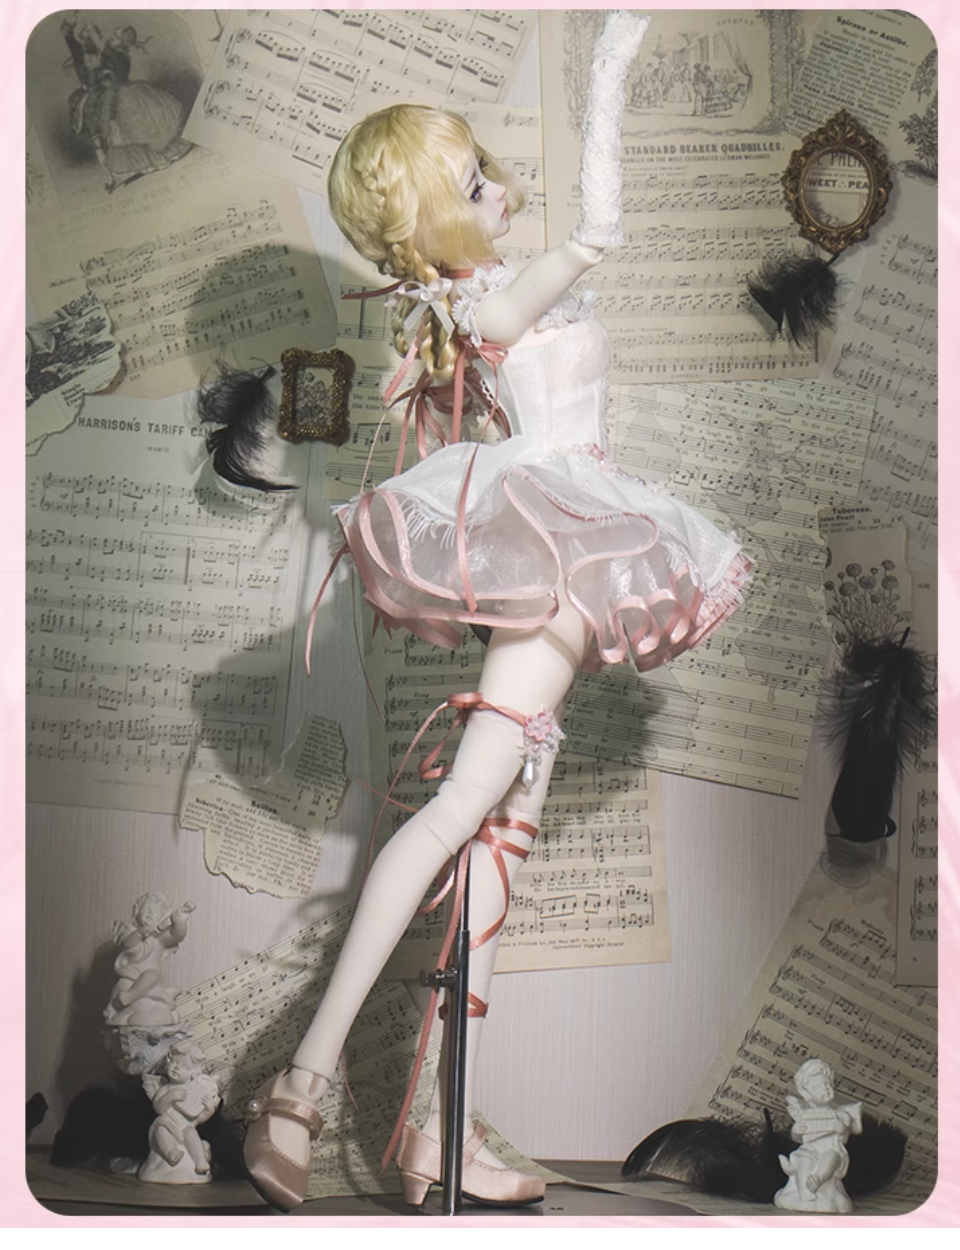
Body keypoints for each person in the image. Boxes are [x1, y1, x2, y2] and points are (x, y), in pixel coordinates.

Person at [240, 12, 750, 1210]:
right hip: (560, 537)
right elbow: (595, 237)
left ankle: (435, 1128)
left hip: (572, 535)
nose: (498, 189)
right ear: (427, 221)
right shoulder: (479, 307)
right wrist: (613, 64)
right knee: (466, 806)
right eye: (470, 182)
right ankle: (300, 1086)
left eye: (484, 169)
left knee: (500, 828)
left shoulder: (473, 302)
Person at [775, 1058, 863, 1213]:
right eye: (818, 1087)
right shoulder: (805, 1114)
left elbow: (843, 1139)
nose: (826, 1089)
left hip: (831, 1151)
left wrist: (842, 1130)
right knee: (803, 1159)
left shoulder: (838, 1114)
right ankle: (804, 1190)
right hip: (810, 1150)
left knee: (831, 1157)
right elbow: (798, 1138)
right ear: (807, 1094)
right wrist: (796, 1130)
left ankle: (817, 1179)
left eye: (828, 1084)